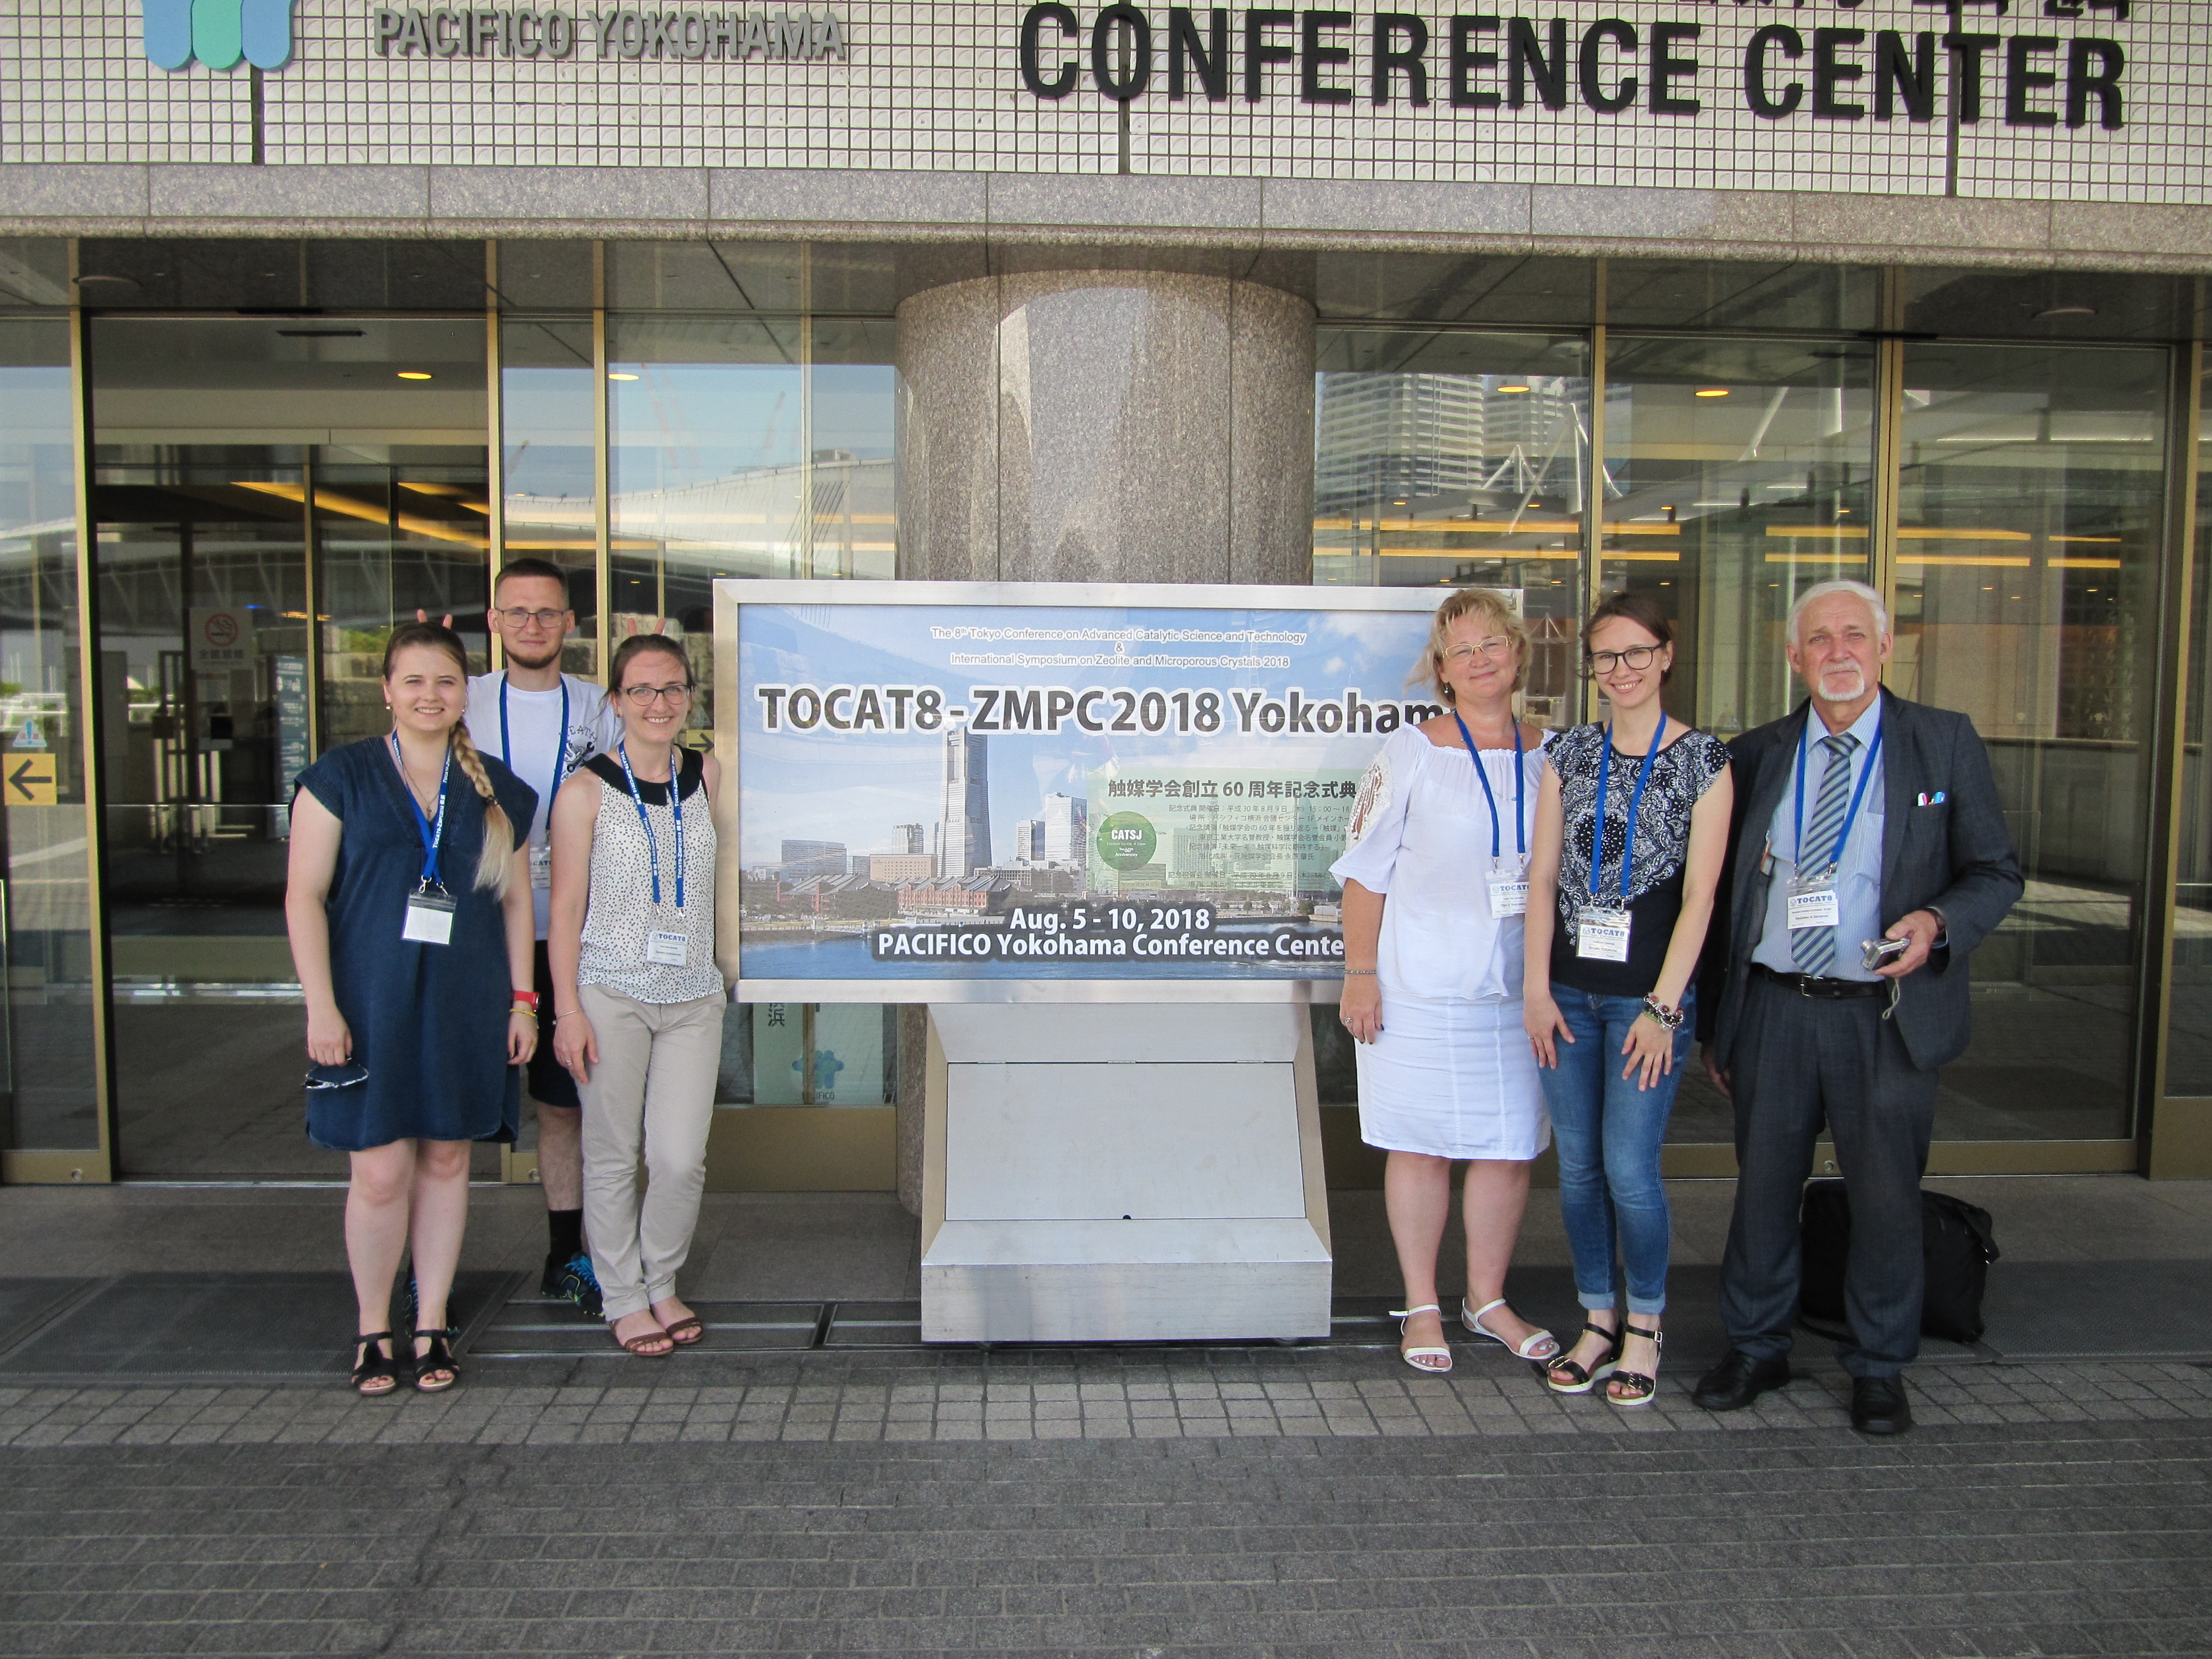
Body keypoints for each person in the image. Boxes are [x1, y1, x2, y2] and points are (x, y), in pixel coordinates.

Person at [1693, 580, 2022, 1436]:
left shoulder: (1941, 743)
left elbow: (1995, 871)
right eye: (1818, 640)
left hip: (1886, 1012)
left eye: (1854, 636)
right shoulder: (1759, 752)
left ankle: (1879, 1365)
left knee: (1884, 1196)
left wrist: (1938, 922)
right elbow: (1724, 898)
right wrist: (1714, 1024)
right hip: (1775, 1009)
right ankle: (1758, 1346)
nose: (1837, 652)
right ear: (1795, 657)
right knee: (1763, 1190)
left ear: (1884, 648)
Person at [285, 622, 539, 1397]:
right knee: (380, 1172)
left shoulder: (497, 788)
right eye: (415, 681)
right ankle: (373, 1328)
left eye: (447, 682)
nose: (431, 695)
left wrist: (524, 1003)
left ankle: (432, 1323)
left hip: (466, 1000)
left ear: (466, 693)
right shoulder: (341, 778)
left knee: (450, 1158)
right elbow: (303, 896)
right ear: (388, 690)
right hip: (370, 1001)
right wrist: (320, 1007)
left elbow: (516, 902)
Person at [1332, 588, 1559, 1375]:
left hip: (1518, 992)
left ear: (1519, 652)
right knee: (1421, 1146)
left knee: (1506, 1150)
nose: (1480, 660)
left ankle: (1486, 1299)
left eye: (1493, 643)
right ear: (1442, 670)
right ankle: (1423, 1303)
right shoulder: (1409, 753)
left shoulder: (1555, 752)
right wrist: (1361, 977)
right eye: (1462, 651)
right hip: (1418, 986)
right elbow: (1365, 875)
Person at [1522, 593, 1732, 1406]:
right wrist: (1536, 990)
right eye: (1606, 658)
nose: (1623, 671)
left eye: (1637, 653)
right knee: (1576, 1172)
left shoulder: (1704, 762)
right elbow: (1542, 879)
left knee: (1629, 1171)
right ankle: (1598, 1319)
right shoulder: (1568, 754)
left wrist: (1665, 1009)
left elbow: (1702, 900)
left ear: (1666, 655)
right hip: (1568, 997)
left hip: (1647, 1006)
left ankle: (1646, 1326)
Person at [548, 634, 725, 1358]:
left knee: (681, 1156)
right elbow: (563, 910)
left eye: (674, 688)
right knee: (613, 1153)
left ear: (689, 696)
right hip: (610, 992)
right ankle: (623, 1296)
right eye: (644, 690)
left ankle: (663, 1278)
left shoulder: (709, 775)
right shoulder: (584, 791)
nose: (661, 704)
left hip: (692, 994)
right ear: (617, 701)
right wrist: (565, 1009)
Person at [462, 561, 620, 1317]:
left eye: (547, 613)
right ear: (493, 621)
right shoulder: (458, 702)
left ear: (570, 624)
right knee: (453, 1102)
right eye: (517, 612)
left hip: (572, 931)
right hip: (474, 932)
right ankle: (430, 1269)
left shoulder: (602, 708)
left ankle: (567, 1256)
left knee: (563, 1103)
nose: (532, 625)